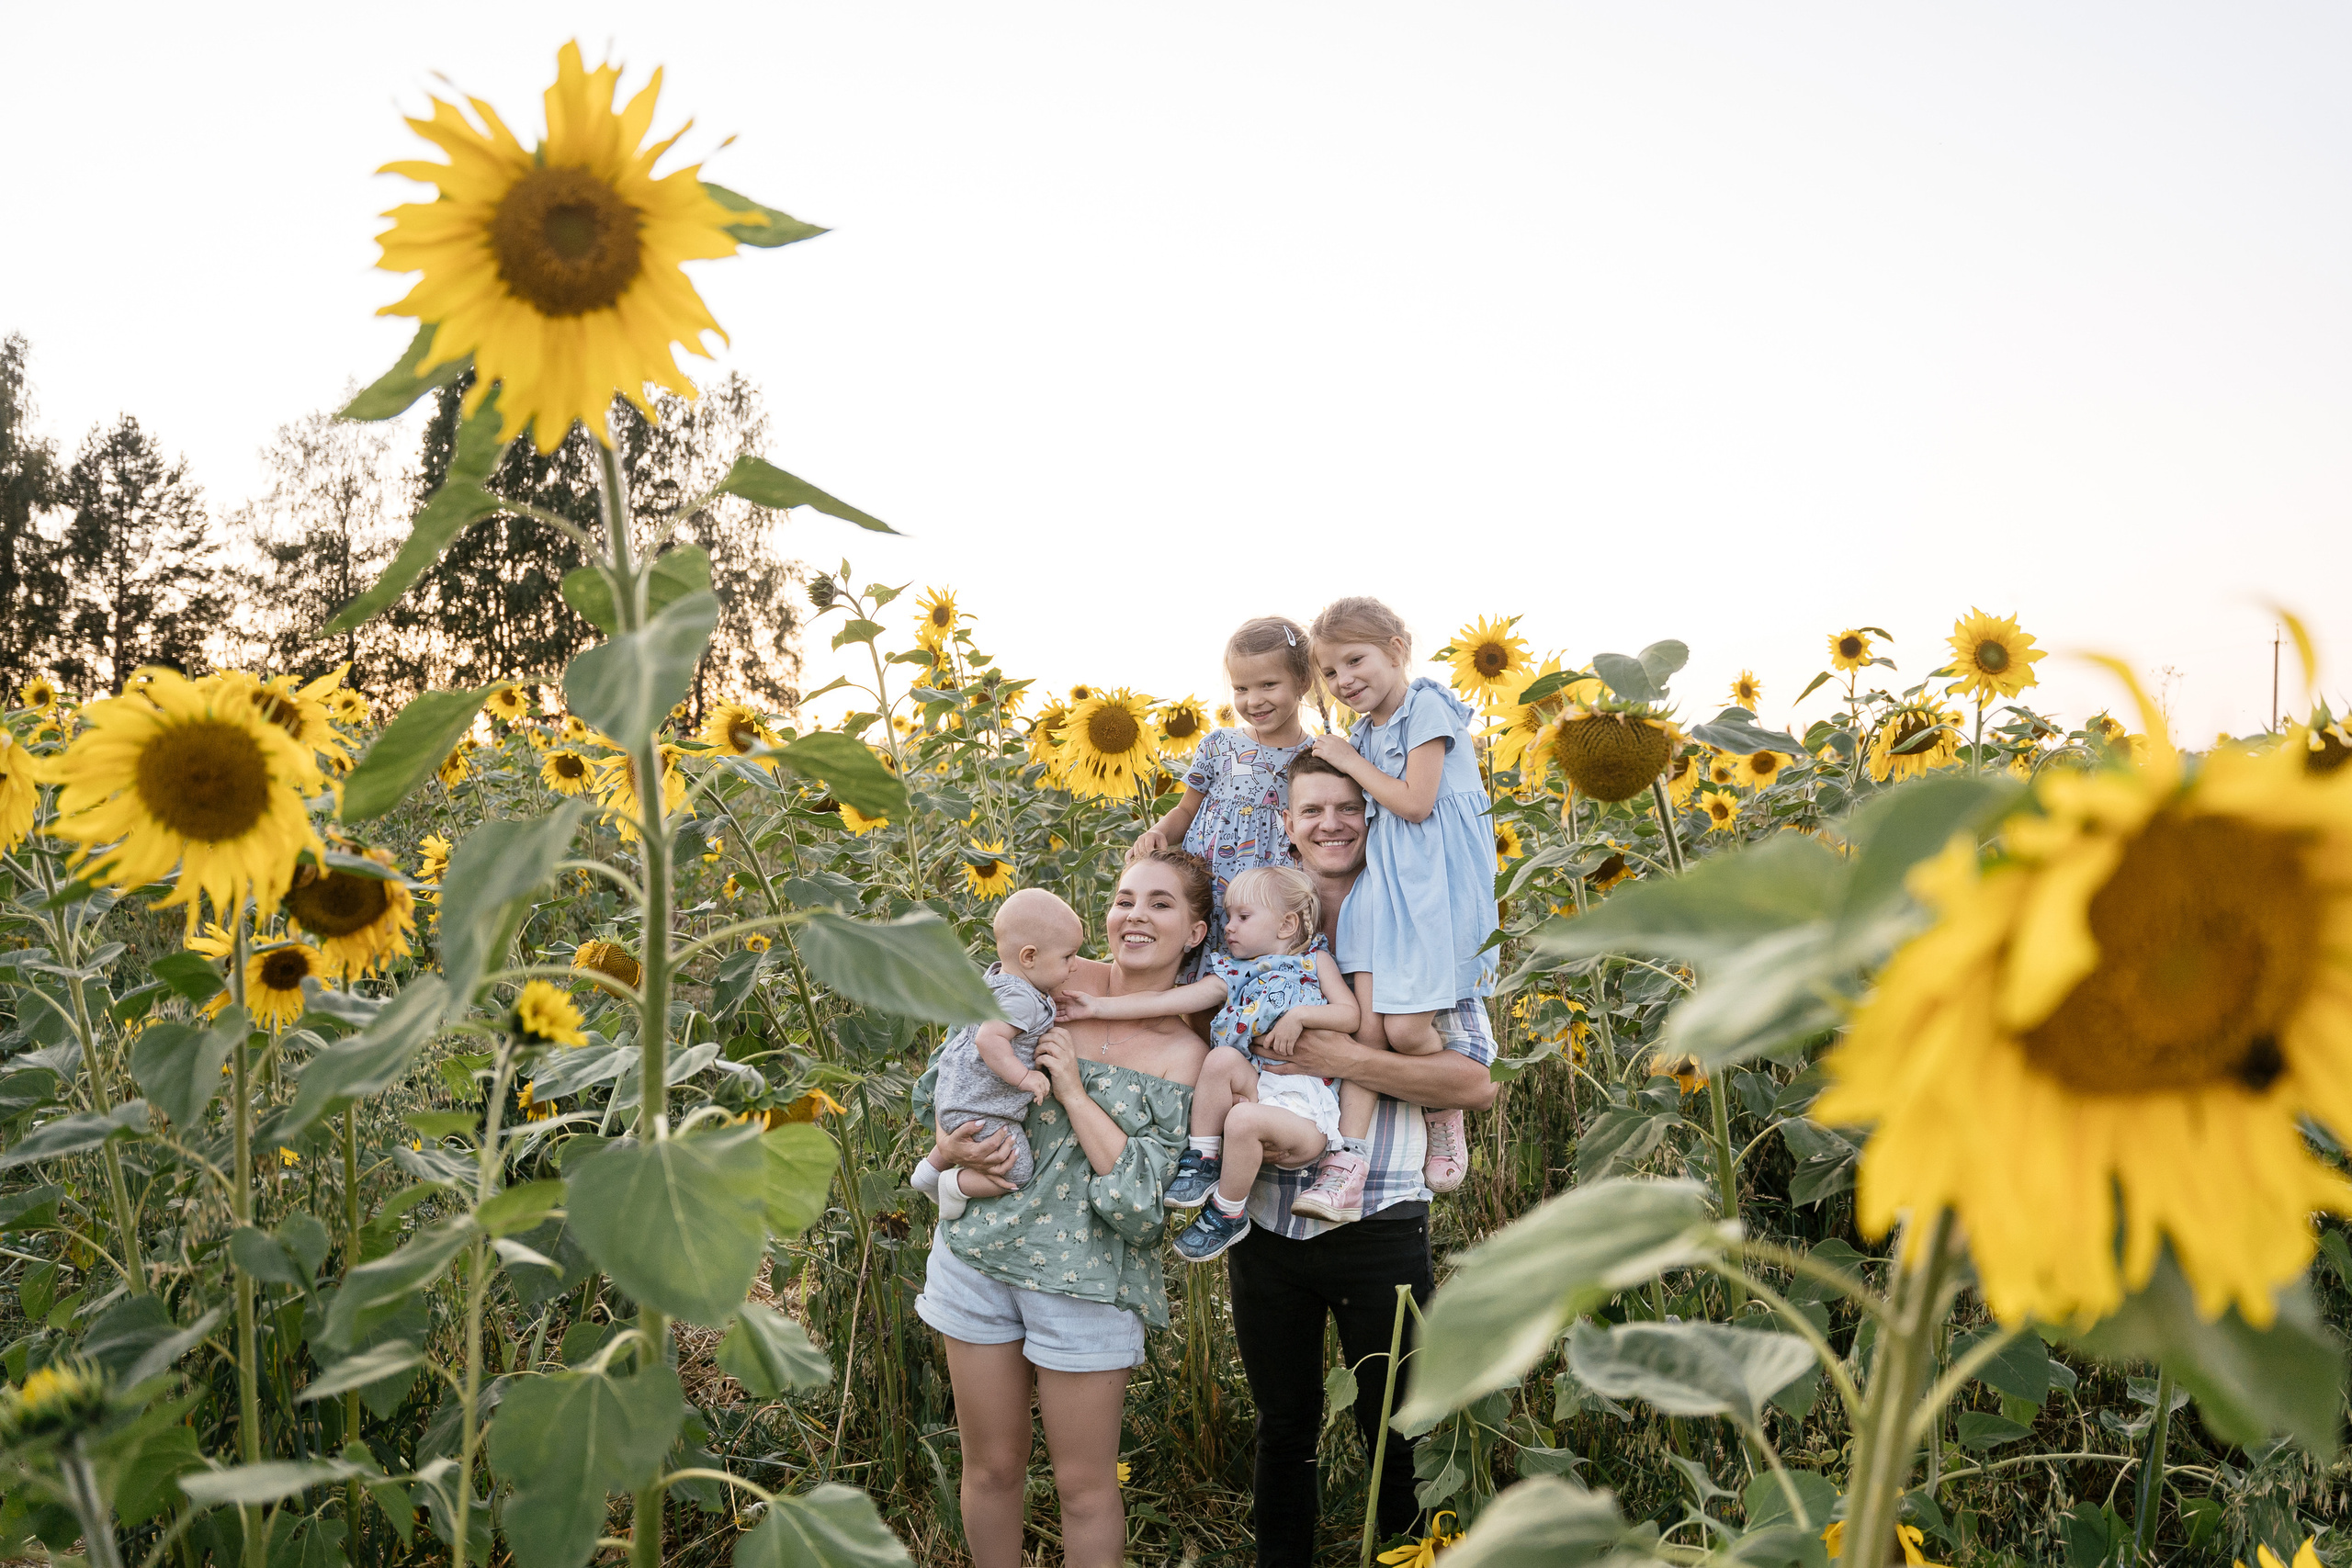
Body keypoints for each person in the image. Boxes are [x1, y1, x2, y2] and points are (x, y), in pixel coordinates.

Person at [1229, 750, 1499, 1566]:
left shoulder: (1420, 923)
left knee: (1398, 1429)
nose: (1331, 823)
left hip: (1380, 1215)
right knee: (1283, 1428)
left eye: (1348, 806)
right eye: (1312, 810)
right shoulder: (1260, 919)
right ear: (1287, 823)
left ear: (1373, 812)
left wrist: (1340, 1060)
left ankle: (1404, 1554)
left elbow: (1471, 1080)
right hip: (1269, 1219)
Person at [911, 851, 1212, 1568]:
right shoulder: (1048, 980)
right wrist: (949, 1146)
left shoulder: (1185, 1054)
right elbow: (950, 1074)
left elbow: (1140, 1206)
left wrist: (1073, 1091)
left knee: (1083, 1486)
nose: (1135, 914)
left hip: (1085, 1282)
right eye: (1124, 897)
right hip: (976, 1258)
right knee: (991, 1468)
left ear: (1197, 931)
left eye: (1161, 904)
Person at [1290, 596, 1498, 1222]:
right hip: (1391, 890)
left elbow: (1415, 801)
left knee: (1409, 1030)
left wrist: (1351, 761)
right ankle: (1350, 1155)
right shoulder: (1367, 730)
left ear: (1399, 649)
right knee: (1377, 1025)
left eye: (1356, 659)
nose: (1344, 679)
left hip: (1436, 890)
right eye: (1330, 672)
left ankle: (1443, 1110)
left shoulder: (1424, 706)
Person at [1057, 864, 1361, 1260]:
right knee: (1219, 1060)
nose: (1229, 927)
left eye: (1243, 917)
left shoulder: (1315, 962)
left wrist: (1300, 1017)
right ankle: (1202, 1159)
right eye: (1228, 917)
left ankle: (1227, 1212)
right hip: (1256, 1086)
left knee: (1241, 1121)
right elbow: (1166, 1001)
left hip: (1304, 1108)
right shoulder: (1231, 974)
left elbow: (1349, 1015)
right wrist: (1098, 1007)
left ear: (1287, 925)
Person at [1133, 616, 1318, 973]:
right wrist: (1159, 832)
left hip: (1266, 897)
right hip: (1208, 882)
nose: (1254, 700)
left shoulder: (1313, 758)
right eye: (1241, 689)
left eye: (1268, 684)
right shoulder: (1219, 745)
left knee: (1259, 976)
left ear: (1303, 682)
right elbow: (1186, 811)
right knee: (1197, 968)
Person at [910, 887, 1088, 1219]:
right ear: (1029, 957)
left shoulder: (996, 981)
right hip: (982, 1109)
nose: (1075, 966)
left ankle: (929, 1170)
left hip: (954, 1098)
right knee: (1017, 1172)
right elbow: (988, 1040)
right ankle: (955, 1185)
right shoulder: (1021, 1000)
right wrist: (1025, 1076)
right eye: (1068, 957)